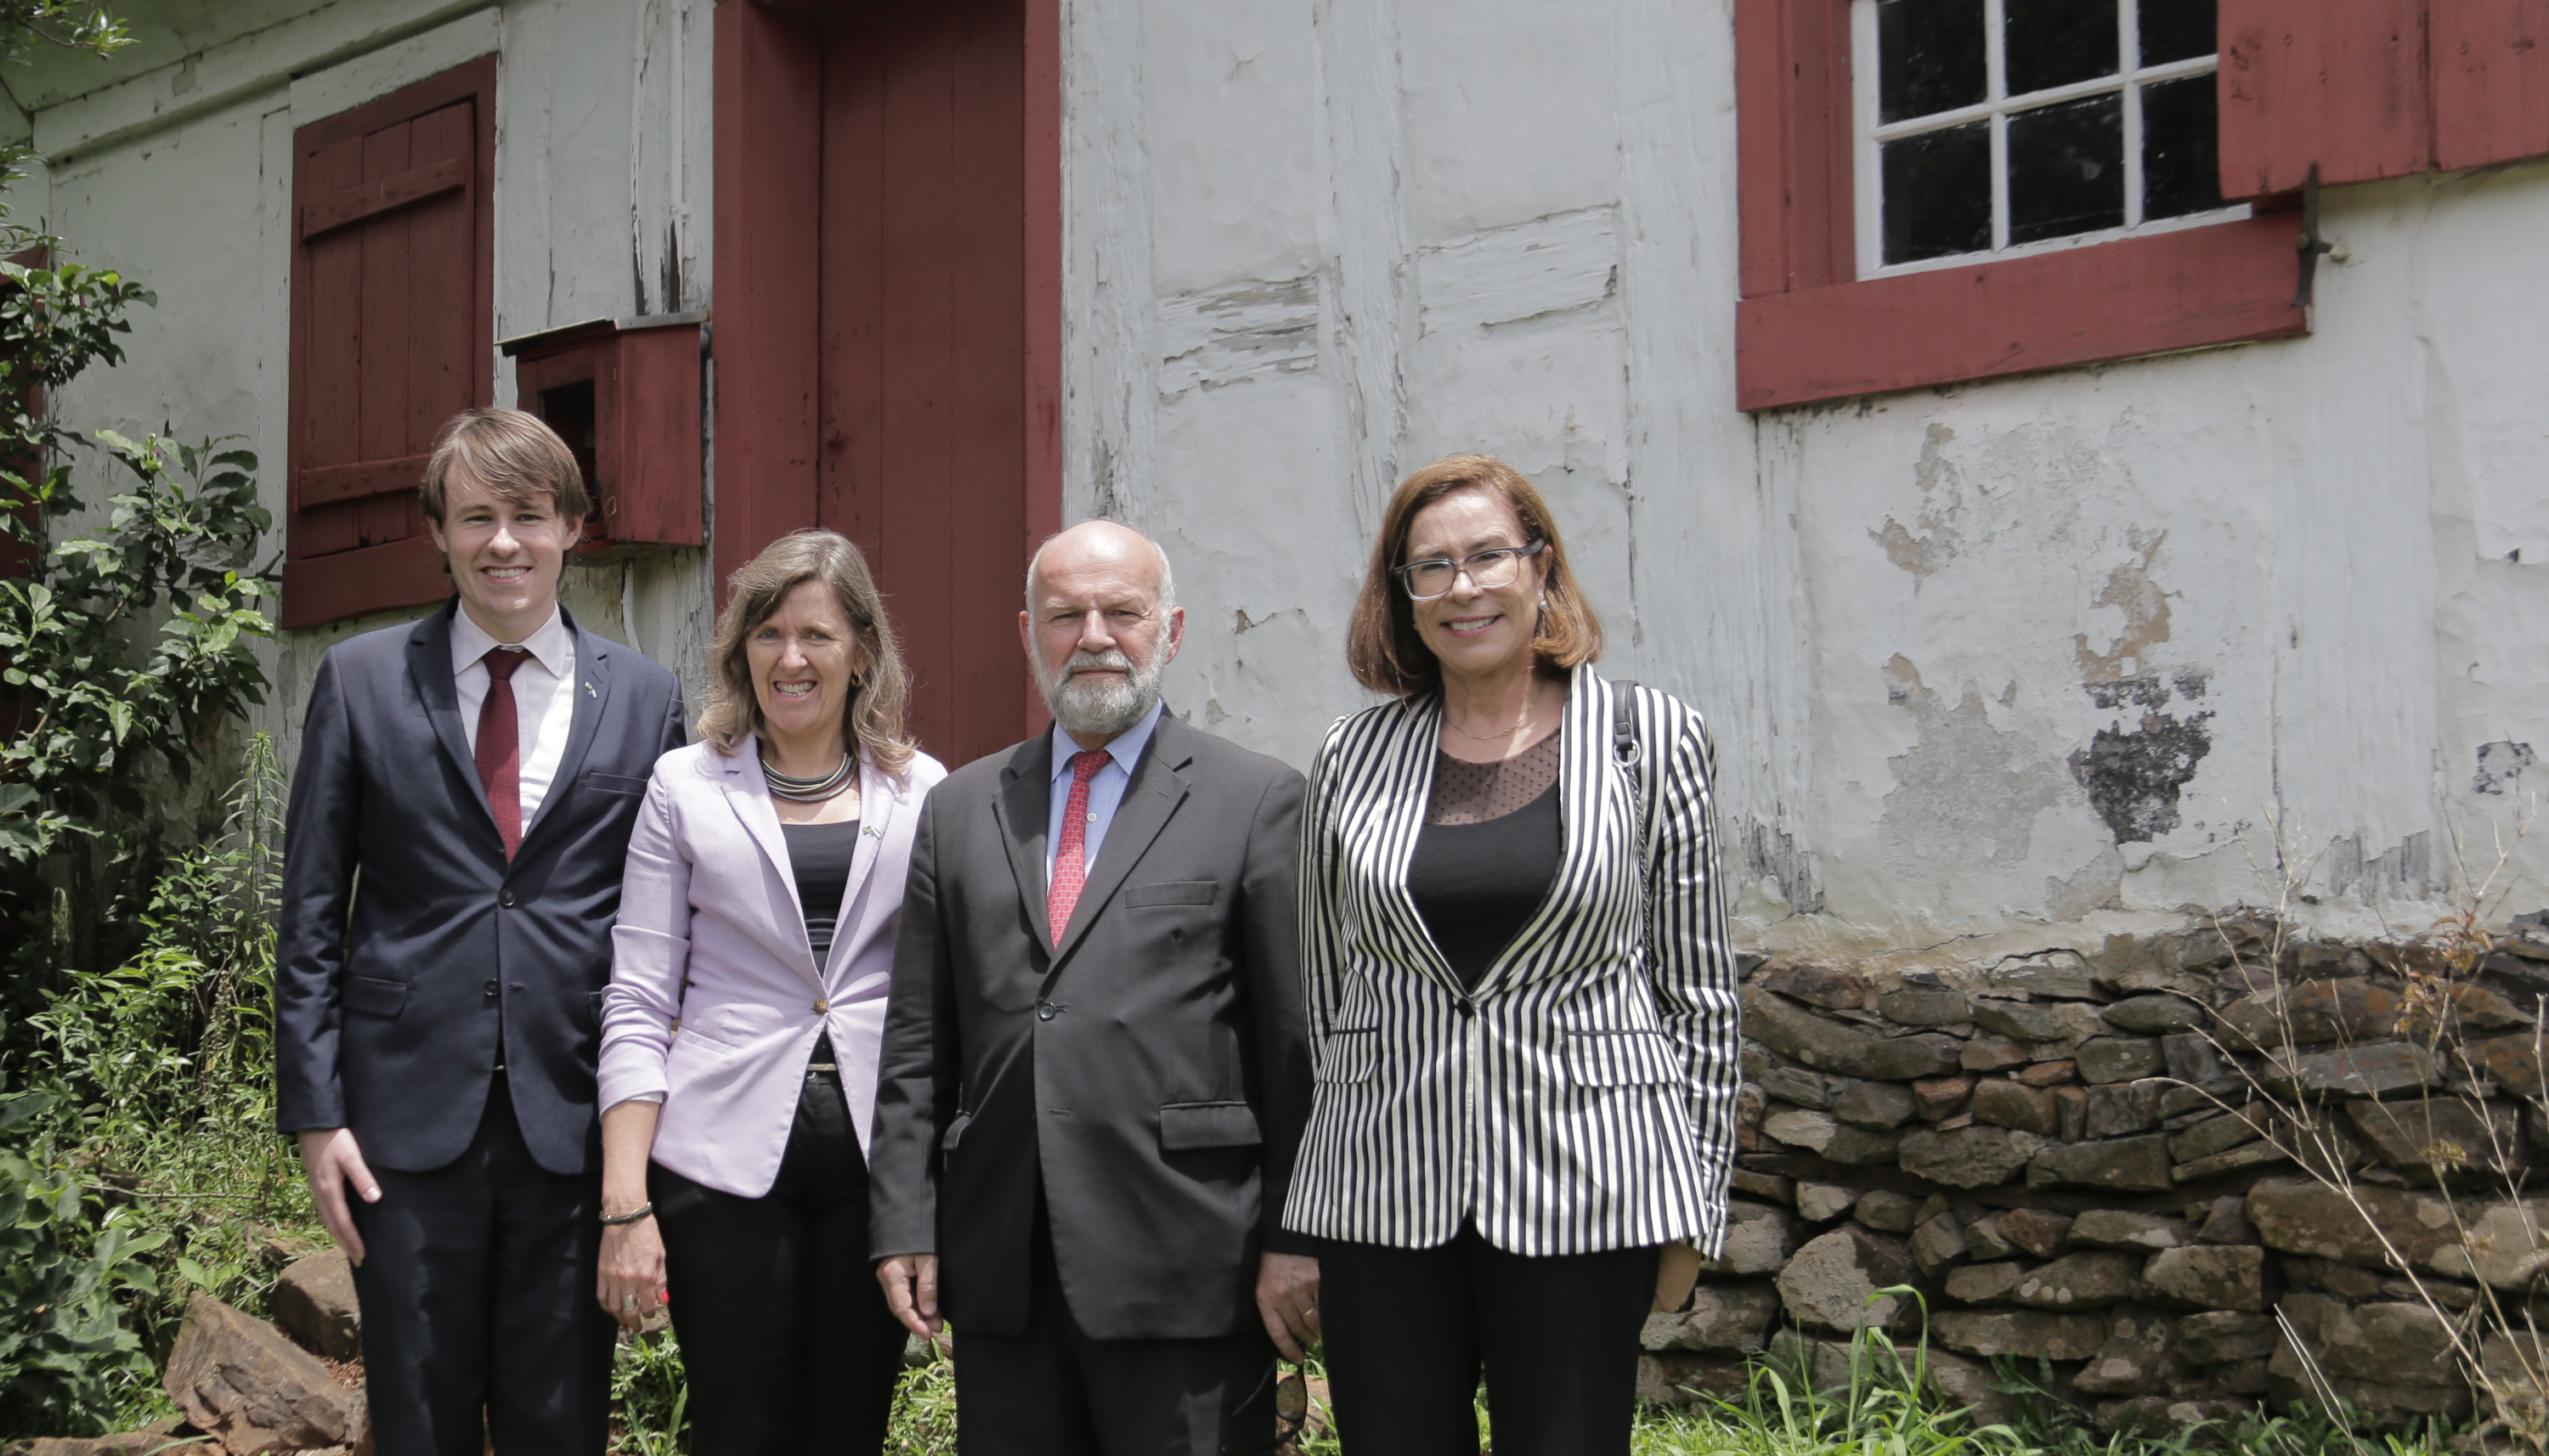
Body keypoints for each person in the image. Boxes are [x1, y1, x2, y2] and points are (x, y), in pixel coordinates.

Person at [1284, 454, 1741, 1456]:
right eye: (1431, 566)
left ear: (1541, 567)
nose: (1464, 587)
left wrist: (1694, 1207)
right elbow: (1324, 990)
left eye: (1489, 555)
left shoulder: (1651, 739)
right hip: (1383, 1192)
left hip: (1585, 1189)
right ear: (1403, 597)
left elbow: (1700, 993)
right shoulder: (1349, 758)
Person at [275, 408, 687, 1456]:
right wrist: (316, 1116)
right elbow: (311, 915)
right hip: (401, 1127)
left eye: (528, 515)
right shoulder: (362, 681)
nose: (504, 542)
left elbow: (667, 929)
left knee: (561, 1422)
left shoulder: (645, 699)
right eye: (476, 517)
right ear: (438, 533)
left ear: (572, 528)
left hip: (575, 1119)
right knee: (421, 1420)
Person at [867, 520, 1318, 1456]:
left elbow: (1294, 1050)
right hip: (1006, 1268)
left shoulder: (1256, 800)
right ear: (1027, 631)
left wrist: (1295, 1235)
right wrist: (906, 1219)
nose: (1095, 637)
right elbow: (916, 1045)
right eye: (1066, 615)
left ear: (1173, 629)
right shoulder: (960, 810)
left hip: (1191, 1265)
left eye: (1123, 612)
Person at [592, 529, 947, 1454]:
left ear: (862, 652)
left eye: (818, 635)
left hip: (875, 1162)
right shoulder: (684, 786)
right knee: (737, 1428)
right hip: (719, 1159)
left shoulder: (924, 792)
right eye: (769, 634)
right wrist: (625, 1198)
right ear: (741, 650)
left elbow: (948, 1000)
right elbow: (638, 995)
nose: (792, 658)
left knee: (849, 1429)